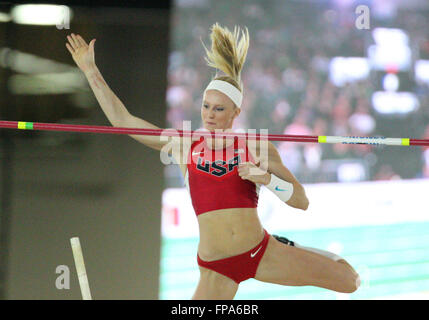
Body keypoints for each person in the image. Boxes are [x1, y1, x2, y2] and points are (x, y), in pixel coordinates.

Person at [65, 22, 360, 300]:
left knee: (348, 280)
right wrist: (90, 70)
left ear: (235, 112)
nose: (210, 115)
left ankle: (289, 245)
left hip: (260, 252)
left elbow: (301, 201)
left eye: (219, 109)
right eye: (206, 106)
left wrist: (266, 179)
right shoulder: (184, 145)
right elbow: (122, 120)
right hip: (216, 268)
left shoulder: (256, 146)